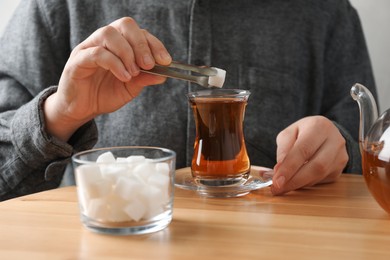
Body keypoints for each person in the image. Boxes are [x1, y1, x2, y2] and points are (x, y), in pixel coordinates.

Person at [0, 0, 377, 200]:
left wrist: (339, 147)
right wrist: (60, 116)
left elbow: (367, 156)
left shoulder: (326, 12)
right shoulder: (56, 6)